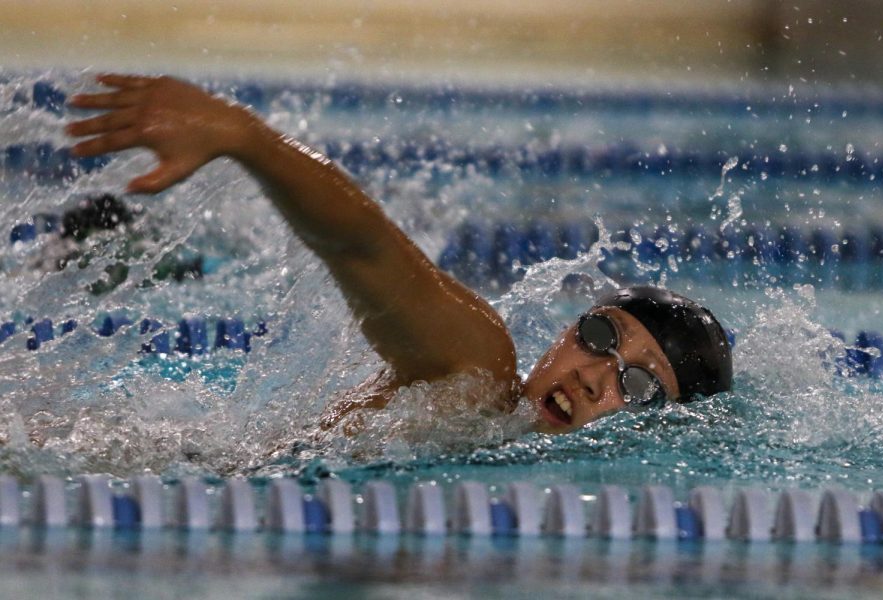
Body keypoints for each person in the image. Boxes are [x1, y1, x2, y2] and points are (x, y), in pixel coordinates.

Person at [66, 74, 732, 435]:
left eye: (636, 384)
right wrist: (248, 139)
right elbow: (362, 247)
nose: (593, 376)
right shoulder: (478, 368)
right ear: (567, 330)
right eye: (600, 335)